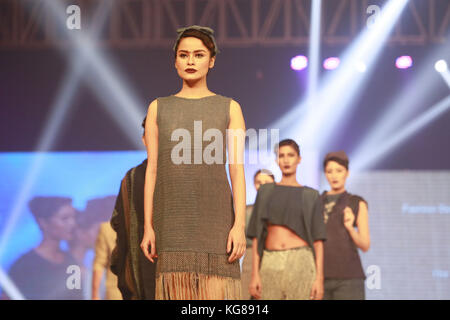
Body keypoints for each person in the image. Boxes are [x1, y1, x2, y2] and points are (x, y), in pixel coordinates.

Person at [140, 25, 247, 300]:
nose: (190, 61)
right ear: (175, 60)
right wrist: (148, 226)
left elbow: (236, 169)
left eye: (198, 55)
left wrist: (239, 225)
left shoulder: (229, 107)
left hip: (218, 225)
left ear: (211, 61)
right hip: (172, 225)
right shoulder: (157, 107)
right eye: (184, 55)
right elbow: (152, 169)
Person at [247, 139, 326, 300]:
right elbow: (256, 235)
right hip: (270, 261)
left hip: (301, 261)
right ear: (276, 160)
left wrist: (319, 279)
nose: (286, 159)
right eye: (281, 155)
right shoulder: (266, 192)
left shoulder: (311, 195)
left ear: (299, 159)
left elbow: (318, 241)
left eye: (291, 155)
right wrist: (255, 274)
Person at [110, 116, 157, 300]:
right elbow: (119, 223)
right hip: (140, 273)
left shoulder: (182, 176)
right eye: (151, 135)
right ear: (144, 139)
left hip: (177, 273)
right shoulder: (130, 179)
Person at [8, 196, 82, 300]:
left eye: (73, 218)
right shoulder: (24, 266)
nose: (72, 223)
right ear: (43, 222)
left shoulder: (71, 261)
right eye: (64, 218)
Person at [320, 151, 370, 300]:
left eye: (339, 171)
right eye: (329, 171)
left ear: (347, 173)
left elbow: (365, 245)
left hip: (349, 278)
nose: (334, 176)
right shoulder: (316, 201)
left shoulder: (356, 202)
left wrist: (350, 228)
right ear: (325, 174)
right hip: (320, 277)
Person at [241, 169, 275, 299]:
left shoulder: (282, 210)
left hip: (273, 257)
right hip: (249, 257)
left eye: (267, 182)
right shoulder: (246, 211)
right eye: (259, 182)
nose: (262, 186)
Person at [91, 196, 122, 300]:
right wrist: (95, 295)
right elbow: (99, 262)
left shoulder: (144, 227)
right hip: (115, 291)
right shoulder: (106, 229)